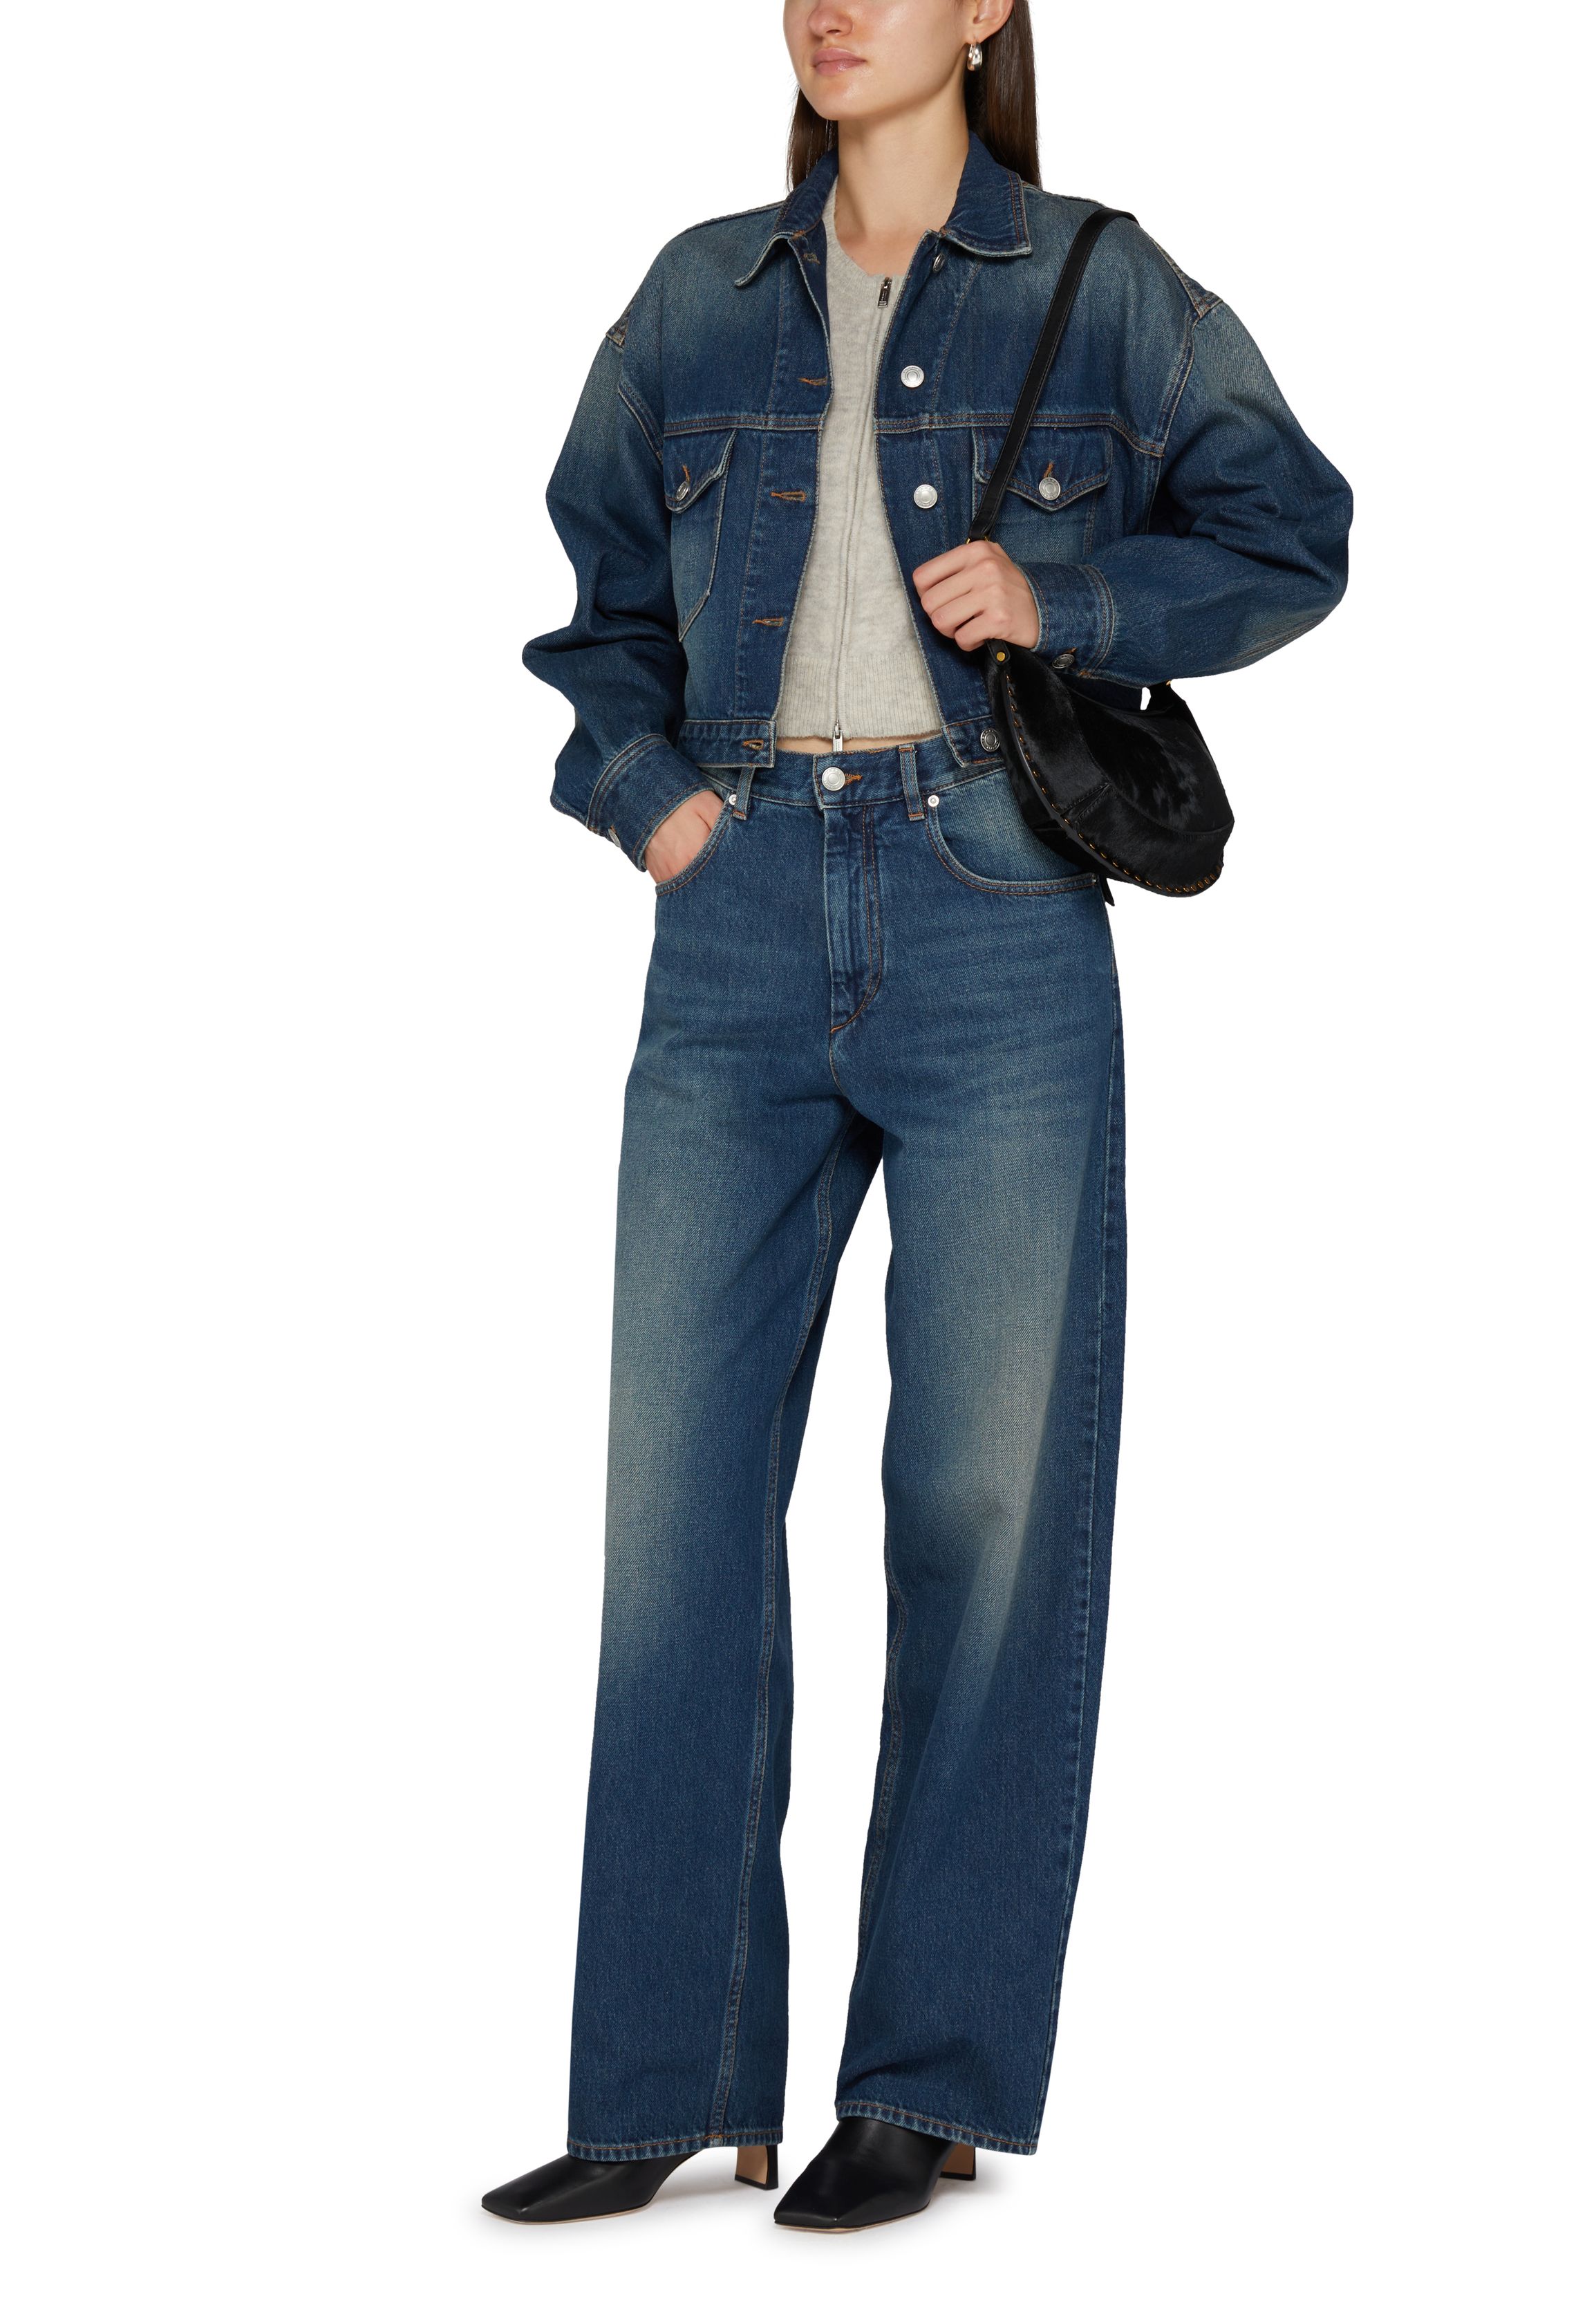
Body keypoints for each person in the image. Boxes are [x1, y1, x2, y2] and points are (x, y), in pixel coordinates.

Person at [485, 0, 1350, 2236]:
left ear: (986, 12)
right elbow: (597, 603)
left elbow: (1298, 525)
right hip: (738, 917)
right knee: (675, 1505)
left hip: (997, 909)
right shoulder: (699, 296)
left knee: (985, 1498)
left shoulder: (1101, 284)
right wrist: (658, 802)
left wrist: (1073, 597)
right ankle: (664, 2074)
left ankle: (925, 2076)